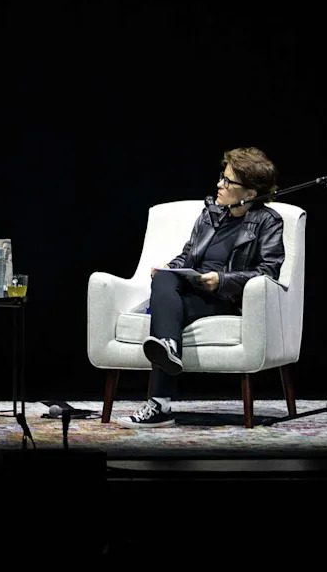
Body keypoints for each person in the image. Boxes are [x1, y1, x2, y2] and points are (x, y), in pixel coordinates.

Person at [121, 147, 284, 428]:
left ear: (250, 193)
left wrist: (222, 280)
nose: (219, 184)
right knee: (163, 277)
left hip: (225, 299)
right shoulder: (211, 214)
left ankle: (160, 405)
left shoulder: (268, 222)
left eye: (228, 181)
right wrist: (170, 268)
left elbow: (267, 273)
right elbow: (187, 256)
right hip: (193, 289)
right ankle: (168, 347)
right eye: (222, 177)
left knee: (168, 309)